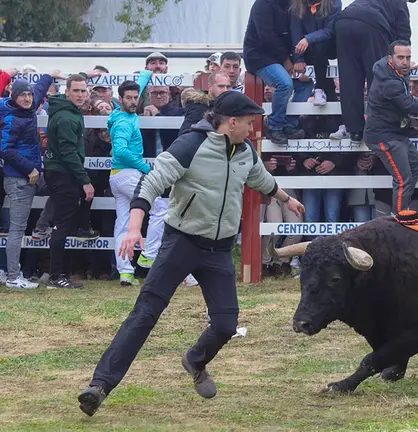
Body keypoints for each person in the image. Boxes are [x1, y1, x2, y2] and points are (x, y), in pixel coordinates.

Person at [77, 91, 305, 416]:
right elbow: (151, 183)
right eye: (251, 123)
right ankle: (99, 387)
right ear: (232, 122)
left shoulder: (245, 151)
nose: (254, 130)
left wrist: (286, 199)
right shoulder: (190, 145)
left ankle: (195, 361)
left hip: (219, 250)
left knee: (226, 325)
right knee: (145, 314)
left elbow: (260, 178)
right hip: (181, 243)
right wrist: (134, 227)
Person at [364, 40, 418, 215]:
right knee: (403, 179)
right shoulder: (389, 82)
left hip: (395, 133)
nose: (405, 61)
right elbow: (413, 107)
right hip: (383, 136)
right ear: (390, 58)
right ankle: (400, 220)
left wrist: (408, 69)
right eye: (401, 57)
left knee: (416, 165)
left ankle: (401, 208)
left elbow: (402, 79)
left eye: (408, 57)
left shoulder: (391, 71)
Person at [0, 72, 55, 289]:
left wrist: (50, 76)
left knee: (64, 189)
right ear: (13, 96)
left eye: (29, 95)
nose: (27, 99)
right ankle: (14, 277)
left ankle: (42, 225)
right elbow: (5, 149)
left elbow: (40, 89)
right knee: (17, 229)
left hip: (30, 176)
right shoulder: (12, 118)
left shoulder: (28, 108)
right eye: (22, 95)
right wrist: (29, 168)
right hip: (19, 179)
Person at [108, 72, 163, 287]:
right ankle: (148, 254)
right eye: (128, 98)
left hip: (117, 177)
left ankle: (125, 272)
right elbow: (120, 151)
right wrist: (144, 167)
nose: (133, 101)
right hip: (129, 174)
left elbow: (136, 88)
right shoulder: (123, 122)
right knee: (159, 206)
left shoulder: (122, 113)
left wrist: (146, 74)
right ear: (119, 99)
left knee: (123, 223)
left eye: (135, 97)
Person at [43, 73, 98, 289]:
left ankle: (58, 273)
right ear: (67, 92)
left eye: (83, 91)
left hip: (61, 171)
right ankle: (56, 276)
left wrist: (87, 74)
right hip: (62, 172)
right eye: (76, 90)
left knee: (62, 223)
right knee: (62, 225)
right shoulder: (66, 117)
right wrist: (84, 180)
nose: (80, 94)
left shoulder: (68, 111)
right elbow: (67, 151)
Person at [334, 0, 415, 144]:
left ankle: (355, 130)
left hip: (343, 21)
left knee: (349, 79)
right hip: (371, 23)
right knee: (379, 77)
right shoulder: (400, 2)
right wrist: (404, 61)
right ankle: (379, 127)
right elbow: (403, 35)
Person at [243, 0, 306, 145]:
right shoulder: (262, 4)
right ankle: (275, 127)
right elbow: (266, 37)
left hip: (282, 57)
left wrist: (296, 59)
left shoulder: (291, 5)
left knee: (306, 85)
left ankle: (289, 124)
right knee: (284, 84)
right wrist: (286, 60)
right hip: (259, 57)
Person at [290, 0, 342, 107]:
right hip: (308, 49)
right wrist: (298, 59)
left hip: (329, 45)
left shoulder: (334, 3)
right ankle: (322, 93)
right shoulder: (297, 5)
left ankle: (319, 88)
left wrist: (308, 39)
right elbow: (295, 32)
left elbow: (329, 30)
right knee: (329, 90)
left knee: (321, 44)